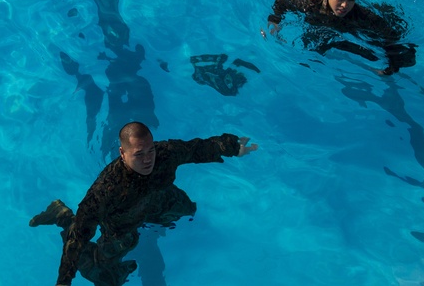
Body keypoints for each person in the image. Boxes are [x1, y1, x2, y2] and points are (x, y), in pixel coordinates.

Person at [31, 121, 258, 286]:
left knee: (188, 209)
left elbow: (196, 148)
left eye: (151, 150)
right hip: (123, 224)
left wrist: (231, 147)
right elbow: (79, 236)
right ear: (122, 153)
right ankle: (61, 215)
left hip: (161, 199)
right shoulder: (106, 189)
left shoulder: (164, 153)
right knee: (106, 277)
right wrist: (63, 282)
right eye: (140, 154)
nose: (149, 159)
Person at [264, 0, 416, 75]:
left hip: (347, 30)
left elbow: (391, 36)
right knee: (313, 49)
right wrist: (274, 22)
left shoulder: (362, 15)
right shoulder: (309, 3)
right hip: (321, 25)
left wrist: (391, 67)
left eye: (351, 0)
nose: (345, 5)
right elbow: (282, 2)